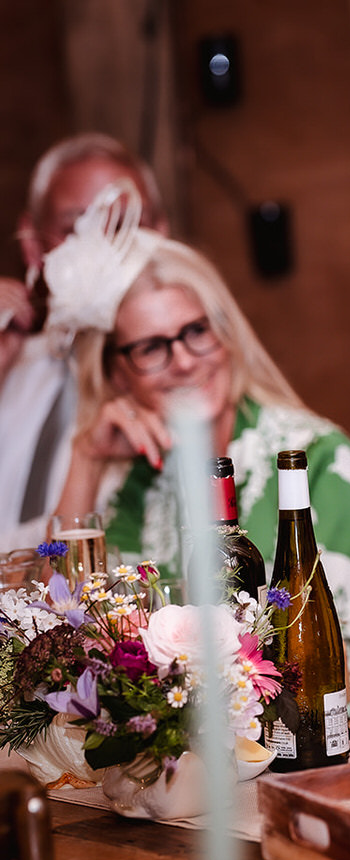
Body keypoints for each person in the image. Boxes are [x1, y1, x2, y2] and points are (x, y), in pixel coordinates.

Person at [47, 182, 350, 675]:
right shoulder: (131, 481)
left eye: (196, 331)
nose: (185, 361)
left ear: (226, 332)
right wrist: (85, 458)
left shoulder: (317, 460)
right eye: (150, 347)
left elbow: (323, 664)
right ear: (115, 373)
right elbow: (58, 637)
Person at [0, 134, 167, 552]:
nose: (105, 247)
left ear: (160, 233)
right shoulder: (12, 361)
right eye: (79, 227)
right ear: (34, 241)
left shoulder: (184, 367)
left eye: (124, 224)